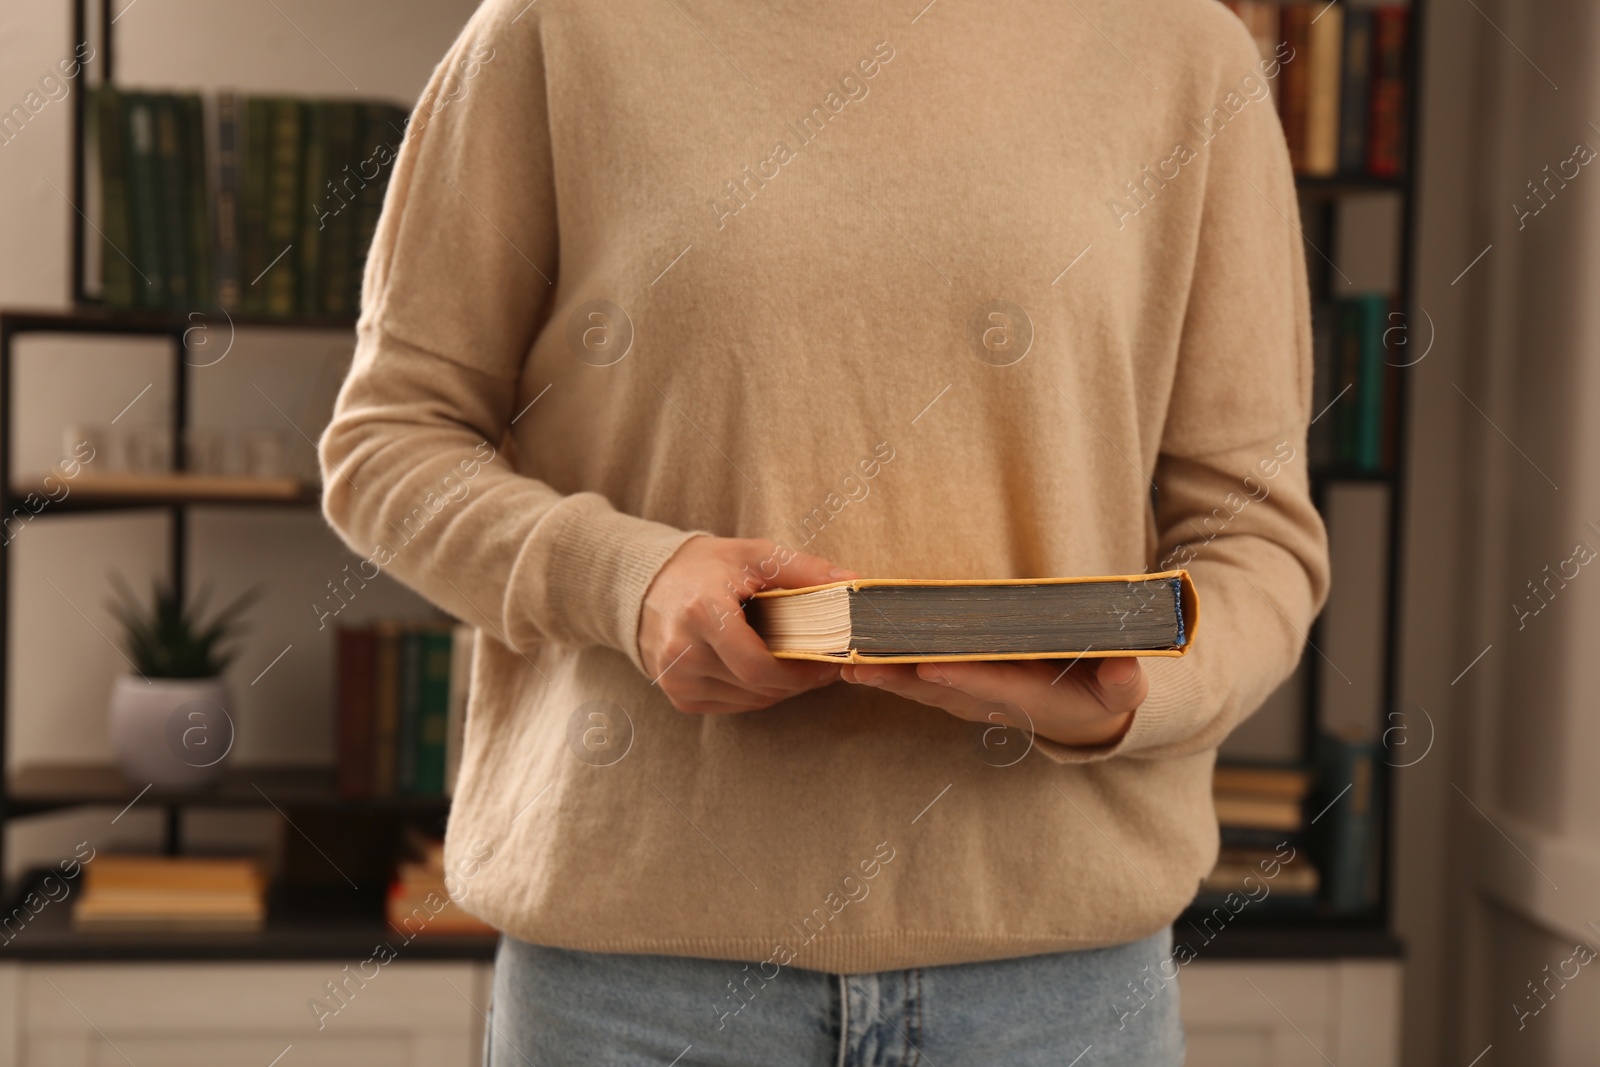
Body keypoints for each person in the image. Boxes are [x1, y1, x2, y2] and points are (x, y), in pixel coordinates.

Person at [320, 0, 1330, 1062]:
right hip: (636, 990)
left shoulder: (1183, 51)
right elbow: (391, 445)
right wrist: (635, 580)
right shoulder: (557, 28)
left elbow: (1258, 538)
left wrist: (1130, 696)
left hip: (1060, 997)